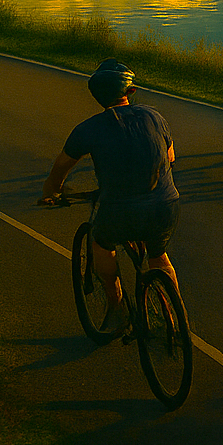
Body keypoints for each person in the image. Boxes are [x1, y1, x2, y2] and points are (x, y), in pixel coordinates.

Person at [40, 59, 180, 337]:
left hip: (120, 209)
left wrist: (51, 192)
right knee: (158, 254)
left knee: (101, 242)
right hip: (166, 204)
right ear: (129, 92)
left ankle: (117, 309)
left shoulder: (88, 128)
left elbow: (61, 167)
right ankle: (176, 319)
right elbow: (171, 157)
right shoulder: (154, 116)